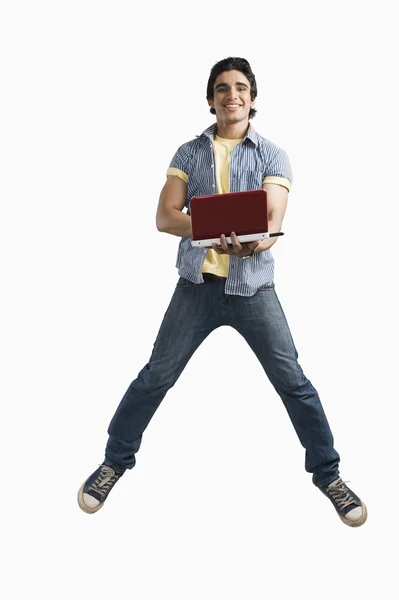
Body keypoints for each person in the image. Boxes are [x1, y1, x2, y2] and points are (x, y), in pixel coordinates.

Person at [78, 57, 367, 527]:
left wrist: (252, 239)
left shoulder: (273, 154)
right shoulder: (188, 153)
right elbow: (165, 217)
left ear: (252, 97)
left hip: (254, 288)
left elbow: (272, 222)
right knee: (155, 377)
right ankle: (113, 463)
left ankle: (329, 475)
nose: (231, 95)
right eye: (221, 88)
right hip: (197, 287)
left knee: (293, 382)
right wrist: (214, 230)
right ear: (211, 99)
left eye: (239, 87)